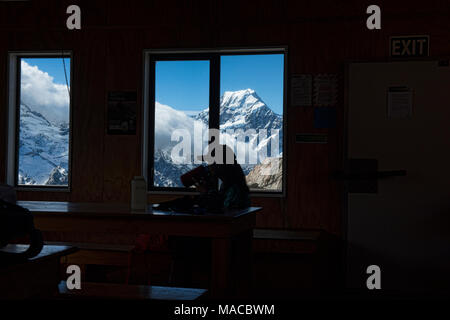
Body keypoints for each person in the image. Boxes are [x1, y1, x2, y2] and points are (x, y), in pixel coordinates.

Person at [194, 144, 250, 210]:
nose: (209, 166)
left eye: (211, 162)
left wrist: (205, 193)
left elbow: (223, 211)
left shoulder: (234, 189)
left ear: (220, 165)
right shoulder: (227, 184)